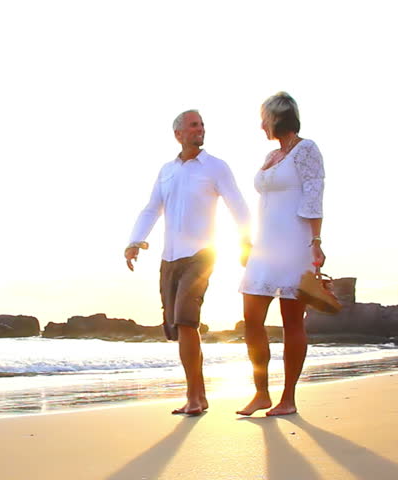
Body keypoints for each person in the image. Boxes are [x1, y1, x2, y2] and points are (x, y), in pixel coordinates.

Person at [125, 109, 252, 415]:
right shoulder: (167, 171)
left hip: (202, 255)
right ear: (178, 134)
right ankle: (200, 394)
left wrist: (246, 241)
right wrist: (134, 241)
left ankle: (193, 397)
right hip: (169, 257)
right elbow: (151, 208)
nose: (200, 129)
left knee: (185, 320)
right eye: (194, 125)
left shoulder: (215, 167)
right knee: (176, 327)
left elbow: (237, 204)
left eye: (202, 125)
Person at [236, 92, 326, 417]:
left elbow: (314, 196)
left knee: (292, 322)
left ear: (277, 117)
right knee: (251, 318)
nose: (261, 124)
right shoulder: (272, 155)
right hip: (265, 245)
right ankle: (261, 393)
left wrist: (316, 241)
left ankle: (288, 398)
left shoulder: (307, 150)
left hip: (294, 243)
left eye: (264, 118)